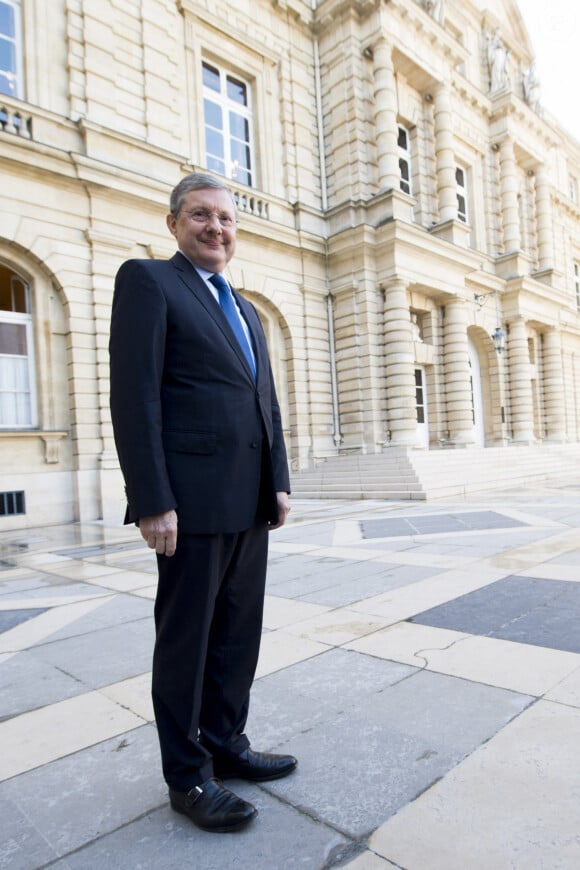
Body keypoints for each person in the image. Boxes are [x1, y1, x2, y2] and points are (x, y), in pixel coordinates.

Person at [109, 172, 295, 834]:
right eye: (201, 216)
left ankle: (227, 744)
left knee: (238, 633)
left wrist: (279, 480)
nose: (217, 228)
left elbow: (263, 400)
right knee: (187, 642)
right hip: (188, 505)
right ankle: (187, 776)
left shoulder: (245, 309)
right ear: (174, 224)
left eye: (226, 219)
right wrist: (152, 499)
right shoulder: (149, 282)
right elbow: (136, 398)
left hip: (248, 502)